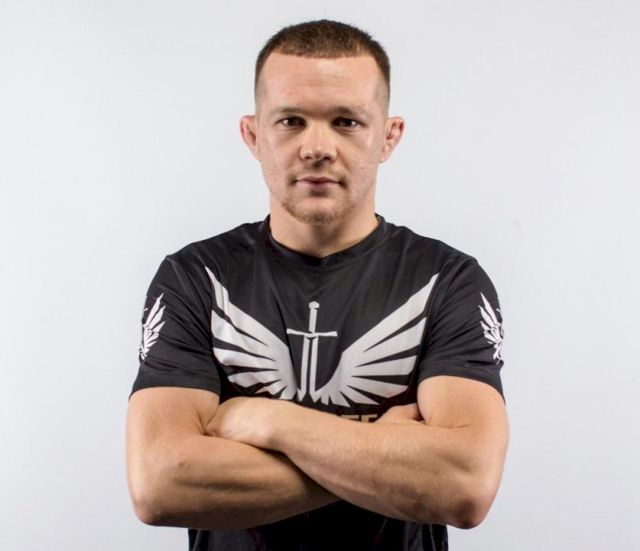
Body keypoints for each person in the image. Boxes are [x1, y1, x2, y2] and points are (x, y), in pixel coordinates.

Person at [126, 19, 509, 551]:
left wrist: (269, 421)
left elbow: (463, 485)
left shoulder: (446, 281)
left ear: (388, 136)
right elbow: (161, 483)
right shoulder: (196, 277)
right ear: (254, 135)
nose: (317, 147)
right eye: (291, 121)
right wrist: (383, 455)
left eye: (346, 121)